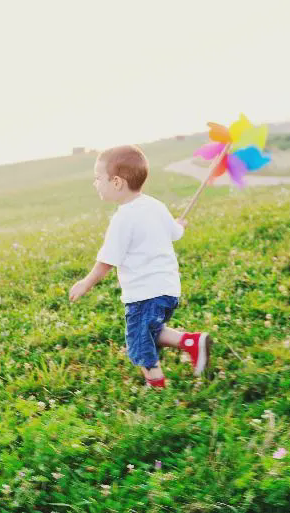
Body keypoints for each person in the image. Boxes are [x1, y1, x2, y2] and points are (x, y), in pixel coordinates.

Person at [69, 145, 213, 388]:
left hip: (144, 295)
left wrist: (86, 282)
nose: (95, 183)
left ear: (116, 182)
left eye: (98, 178)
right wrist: (179, 224)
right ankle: (191, 342)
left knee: (139, 341)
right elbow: (175, 232)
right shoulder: (155, 205)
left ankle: (155, 386)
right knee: (151, 331)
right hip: (168, 290)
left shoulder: (123, 219)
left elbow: (107, 260)